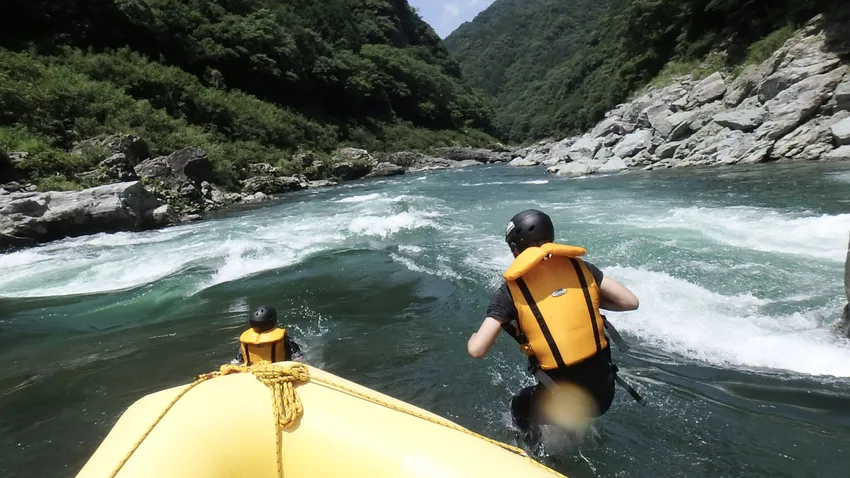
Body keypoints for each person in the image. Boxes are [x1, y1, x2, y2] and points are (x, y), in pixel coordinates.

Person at [467, 209, 642, 452]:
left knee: (519, 405)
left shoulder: (509, 292)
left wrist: (473, 338)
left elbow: (477, 350)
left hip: (559, 396)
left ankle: (531, 454)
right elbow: (630, 302)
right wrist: (587, 300)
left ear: (516, 250)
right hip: (604, 396)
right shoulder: (582, 269)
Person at [234, 305, 305, 365]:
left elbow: (236, 362)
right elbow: (299, 359)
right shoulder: (285, 340)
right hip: (277, 373)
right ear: (273, 321)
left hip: (251, 373)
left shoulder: (245, 342)